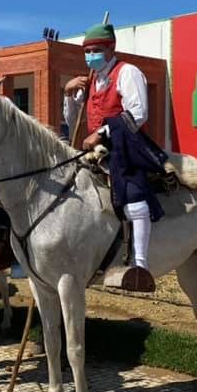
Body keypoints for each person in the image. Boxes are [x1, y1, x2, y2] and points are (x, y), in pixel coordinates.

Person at [63, 23, 167, 293]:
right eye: (87, 51)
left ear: (112, 48)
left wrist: (101, 133)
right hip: (94, 149)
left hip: (126, 145)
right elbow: (72, 122)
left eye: (96, 50)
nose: (90, 56)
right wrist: (70, 96)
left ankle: (140, 265)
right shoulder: (91, 82)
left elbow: (138, 113)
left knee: (133, 196)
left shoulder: (128, 73)